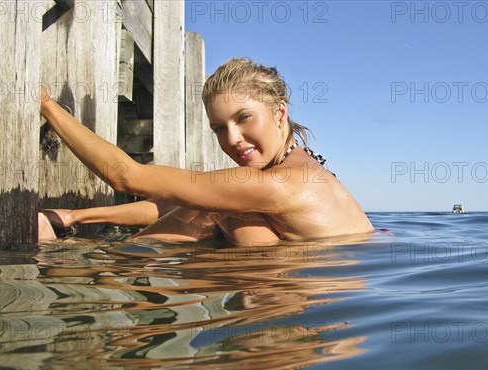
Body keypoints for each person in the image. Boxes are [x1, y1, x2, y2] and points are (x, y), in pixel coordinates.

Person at [39, 58, 373, 245]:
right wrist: (75, 216)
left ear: (280, 112)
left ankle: (111, 264)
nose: (233, 139)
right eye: (219, 129)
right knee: (216, 207)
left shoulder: (277, 183)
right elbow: (181, 199)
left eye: (244, 118)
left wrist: (46, 105)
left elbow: (125, 177)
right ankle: (84, 233)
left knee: (223, 212)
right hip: (321, 309)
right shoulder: (300, 163)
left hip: (290, 313)